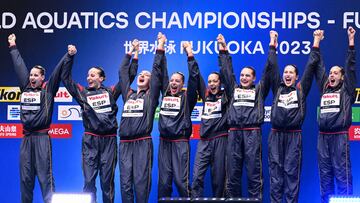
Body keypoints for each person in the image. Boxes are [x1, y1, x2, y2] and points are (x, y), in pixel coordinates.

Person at [60, 44, 137, 203]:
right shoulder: (82, 93)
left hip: (108, 141)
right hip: (90, 141)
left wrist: (133, 55)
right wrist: (70, 57)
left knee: (106, 183)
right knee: (88, 182)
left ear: (102, 78)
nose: (89, 78)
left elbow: (127, 77)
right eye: (88, 75)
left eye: (93, 75)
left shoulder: (110, 92)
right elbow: (66, 79)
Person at [8, 34, 75, 203]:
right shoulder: (25, 88)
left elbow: (58, 71)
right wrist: (13, 46)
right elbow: (19, 66)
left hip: (42, 139)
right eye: (31, 75)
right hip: (26, 139)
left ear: (42, 78)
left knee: (46, 180)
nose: (32, 77)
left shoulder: (48, 90)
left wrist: (68, 56)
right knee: (25, 180)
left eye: (36, 75)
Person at [267, 30, 322, 203]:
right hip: (275, 135)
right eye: (286, 72)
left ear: (296, 76)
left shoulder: (300, 90)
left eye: (291, 72)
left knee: (291, 175)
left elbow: (311, 66)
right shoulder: (278, 89)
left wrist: (315, 41)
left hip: (293, 137)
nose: (287, 74)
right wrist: (272, 44)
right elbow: (272, 67)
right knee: (275, 176)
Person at [220, 33, 272, 199]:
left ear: (254, 78)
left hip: (252, 133)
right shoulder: (233, 89)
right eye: (242, 75)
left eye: (247, 75)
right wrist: (223, 50)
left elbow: (268, 71)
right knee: (233, 174)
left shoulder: (259, 90)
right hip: (234, 132)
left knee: (253, 173)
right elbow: (227, 72)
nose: (243, 77)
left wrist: (272, 46)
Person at [118, 38, 163, 203]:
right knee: (125, 184)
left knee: (141, 183)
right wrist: (133, 52)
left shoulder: (151, 96)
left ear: (151, 82)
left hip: (142, 143)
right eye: (141, 74)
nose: (142, 75)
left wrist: (159, 47)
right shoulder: (128, 94)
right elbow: (123, 73)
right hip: (124, 144)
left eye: (146, 75)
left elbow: (157, 72)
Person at [315, 27, 356, 203]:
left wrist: (351, 42)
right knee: (325, 177)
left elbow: (350, 67)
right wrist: (317, 42)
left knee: (342, 176)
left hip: (339, 137)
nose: (331, 75)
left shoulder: (347, 90)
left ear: (342, 77)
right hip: (323, 138)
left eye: (335, 73)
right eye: (330, 73)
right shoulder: (325, 87)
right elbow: (319, 67)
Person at [157, 34, 199, 198]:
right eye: (172, 80)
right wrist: (161, 46)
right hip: (164, 142)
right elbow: (162, 73)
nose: (173, 83)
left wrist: (189, 54)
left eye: (177, 81)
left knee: (182, 183)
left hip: (180, 142)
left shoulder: (187, 98)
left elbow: (194, 78)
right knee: (164, 183)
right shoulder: (165, 94)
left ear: (183, 85)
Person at [191, 37, 230, 198]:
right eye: (210, 81)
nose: (212, 83)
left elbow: (228, 72)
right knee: (197, 178)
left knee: (219, 180)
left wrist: (223, 50)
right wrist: (190, 55)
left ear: (220, 82)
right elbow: (196, 75)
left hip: (221, 139)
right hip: (204, 141)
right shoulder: (206, 95)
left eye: (215, 81)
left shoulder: (227, 96)